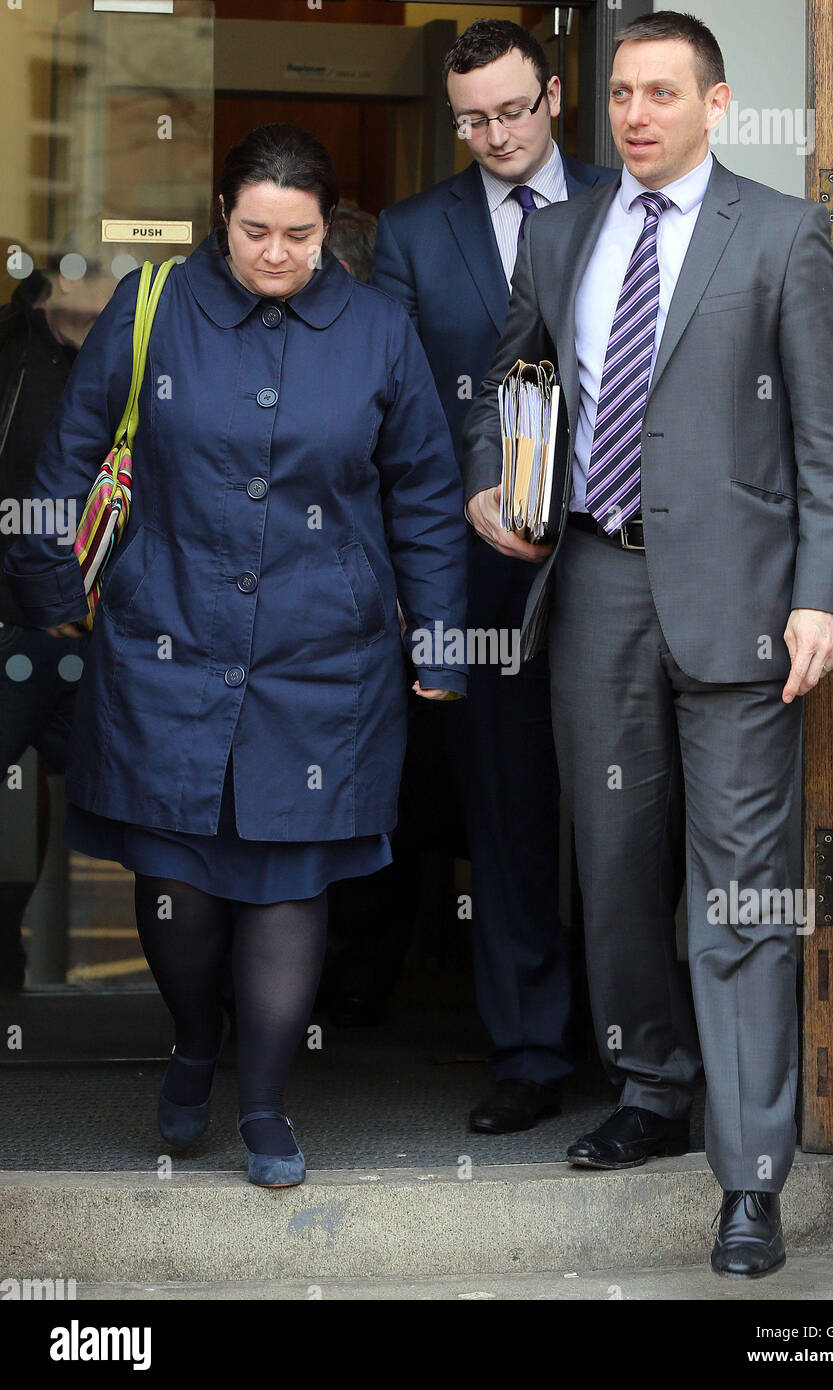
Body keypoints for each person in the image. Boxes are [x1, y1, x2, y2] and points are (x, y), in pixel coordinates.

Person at [461, 11, 833, 1276]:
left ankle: (747, 1176)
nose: (633, 116)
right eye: (620, 96)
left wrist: (823, 589)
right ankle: (649, 1083)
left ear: (715, 103)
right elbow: (511, 385)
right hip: (593, 585)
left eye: (659, 94)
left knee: (738, 891)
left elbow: (828, 440)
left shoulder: (783, 234)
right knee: (617, 860)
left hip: (745, 606)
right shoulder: (567, 230)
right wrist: (492, 483)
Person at [4, 123, 467, 1188]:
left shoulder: (378, 328)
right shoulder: (152, 305)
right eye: (255, 230)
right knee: (179, 886)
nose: (274, 252)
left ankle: (262, 1102)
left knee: (289, 882)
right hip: (167, 639)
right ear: (223, 219)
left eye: (298, 235)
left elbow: (426, 495)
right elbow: (66, 455)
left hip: (325, 659)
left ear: (328, 230)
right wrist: (51, 584)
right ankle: (193, 1045)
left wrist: (438, 637)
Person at [370, 18, 617, 1135]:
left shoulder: (632, 204)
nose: (493, 134)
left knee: (633, 808)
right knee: (508, 809)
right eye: (470, 118)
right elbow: (404, 409)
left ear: (554, 95)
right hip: (481, 570)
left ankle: (636, 1040)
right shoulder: (413, 235)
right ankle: (525, 1049)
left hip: (623, 558)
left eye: (512, 110)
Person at [0, 249, 114, 990]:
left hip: (117, 626)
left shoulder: (143, 359)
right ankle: (7, 953)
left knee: (149, 806)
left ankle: (211, 1006)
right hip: (12, 618)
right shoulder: (10, 353)